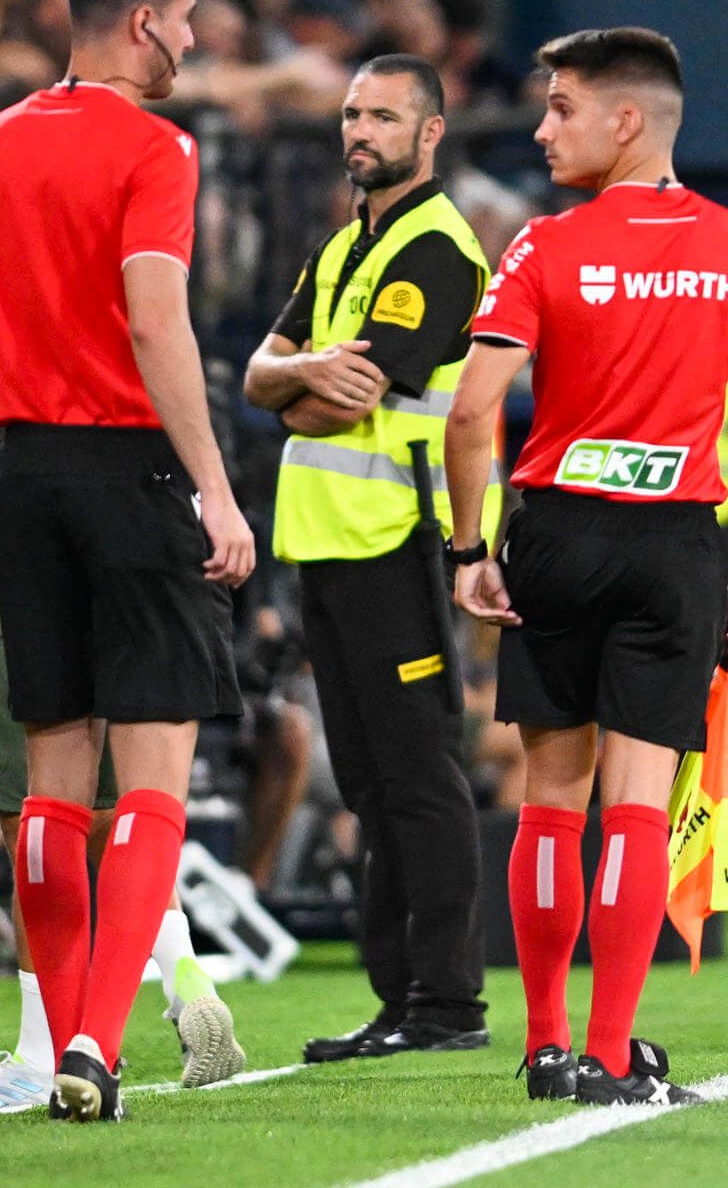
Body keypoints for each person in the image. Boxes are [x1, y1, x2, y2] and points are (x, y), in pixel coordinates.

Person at [0, 0, 255, 1123]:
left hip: (24, 479)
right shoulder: (156, 149)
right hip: (134, 474)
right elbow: (156, 323)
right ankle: (92, 1038)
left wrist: (5, 376)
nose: (191, 39)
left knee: (49, 782)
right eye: (185, 18)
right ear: (144, 23)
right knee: (149, 780)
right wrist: (214, 482)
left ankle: (56, 1045)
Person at [445, 26, 728, 1107]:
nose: (542, 127)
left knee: (551, 798)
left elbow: (473, 408)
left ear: (626, 120)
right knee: (638, 805)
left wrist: (470, 547)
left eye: (561, 108)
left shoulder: (544, 246)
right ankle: (612, 1052)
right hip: (674, 547)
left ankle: (548, 1042)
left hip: (556, 533)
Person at [0, 328, 245, 1118]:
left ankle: (44, 1047)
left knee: (36, 815)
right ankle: (181, 972)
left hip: (22, 593)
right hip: (147, 564)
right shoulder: (139, 325)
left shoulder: (0, 338)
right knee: (130, 808)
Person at [243, 53, 493, 1062]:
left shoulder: (436, 249)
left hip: (399, 542)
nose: (360, 131)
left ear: (430, 134)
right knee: (370, 784)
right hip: (329, 544)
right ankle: (399, 998)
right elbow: (270, 375)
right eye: (352, 113)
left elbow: (339, 392)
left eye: (383, 116)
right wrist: (298, 375)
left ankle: (449, 1004)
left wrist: (289, 383)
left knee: (421, 776)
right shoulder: (347, 246)